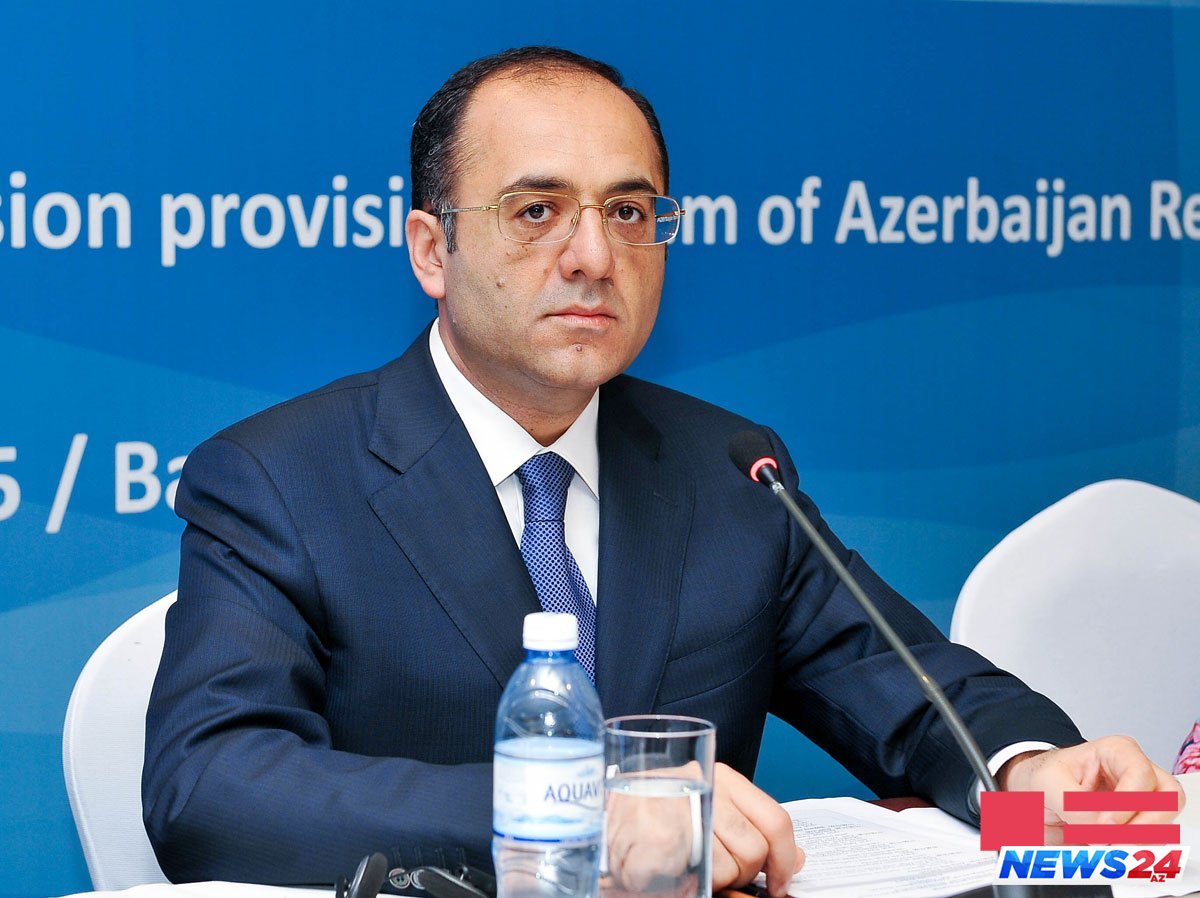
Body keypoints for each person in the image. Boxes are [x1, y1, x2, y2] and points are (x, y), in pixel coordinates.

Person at [143, 46, 1183, 894]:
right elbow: (209, 786)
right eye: (537, 211)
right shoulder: (281, 479)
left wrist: (1027, 771)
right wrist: (571, 812)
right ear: (431, 250)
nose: (594, 256)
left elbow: (914, 694)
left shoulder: (728, 471)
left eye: (630, 213)